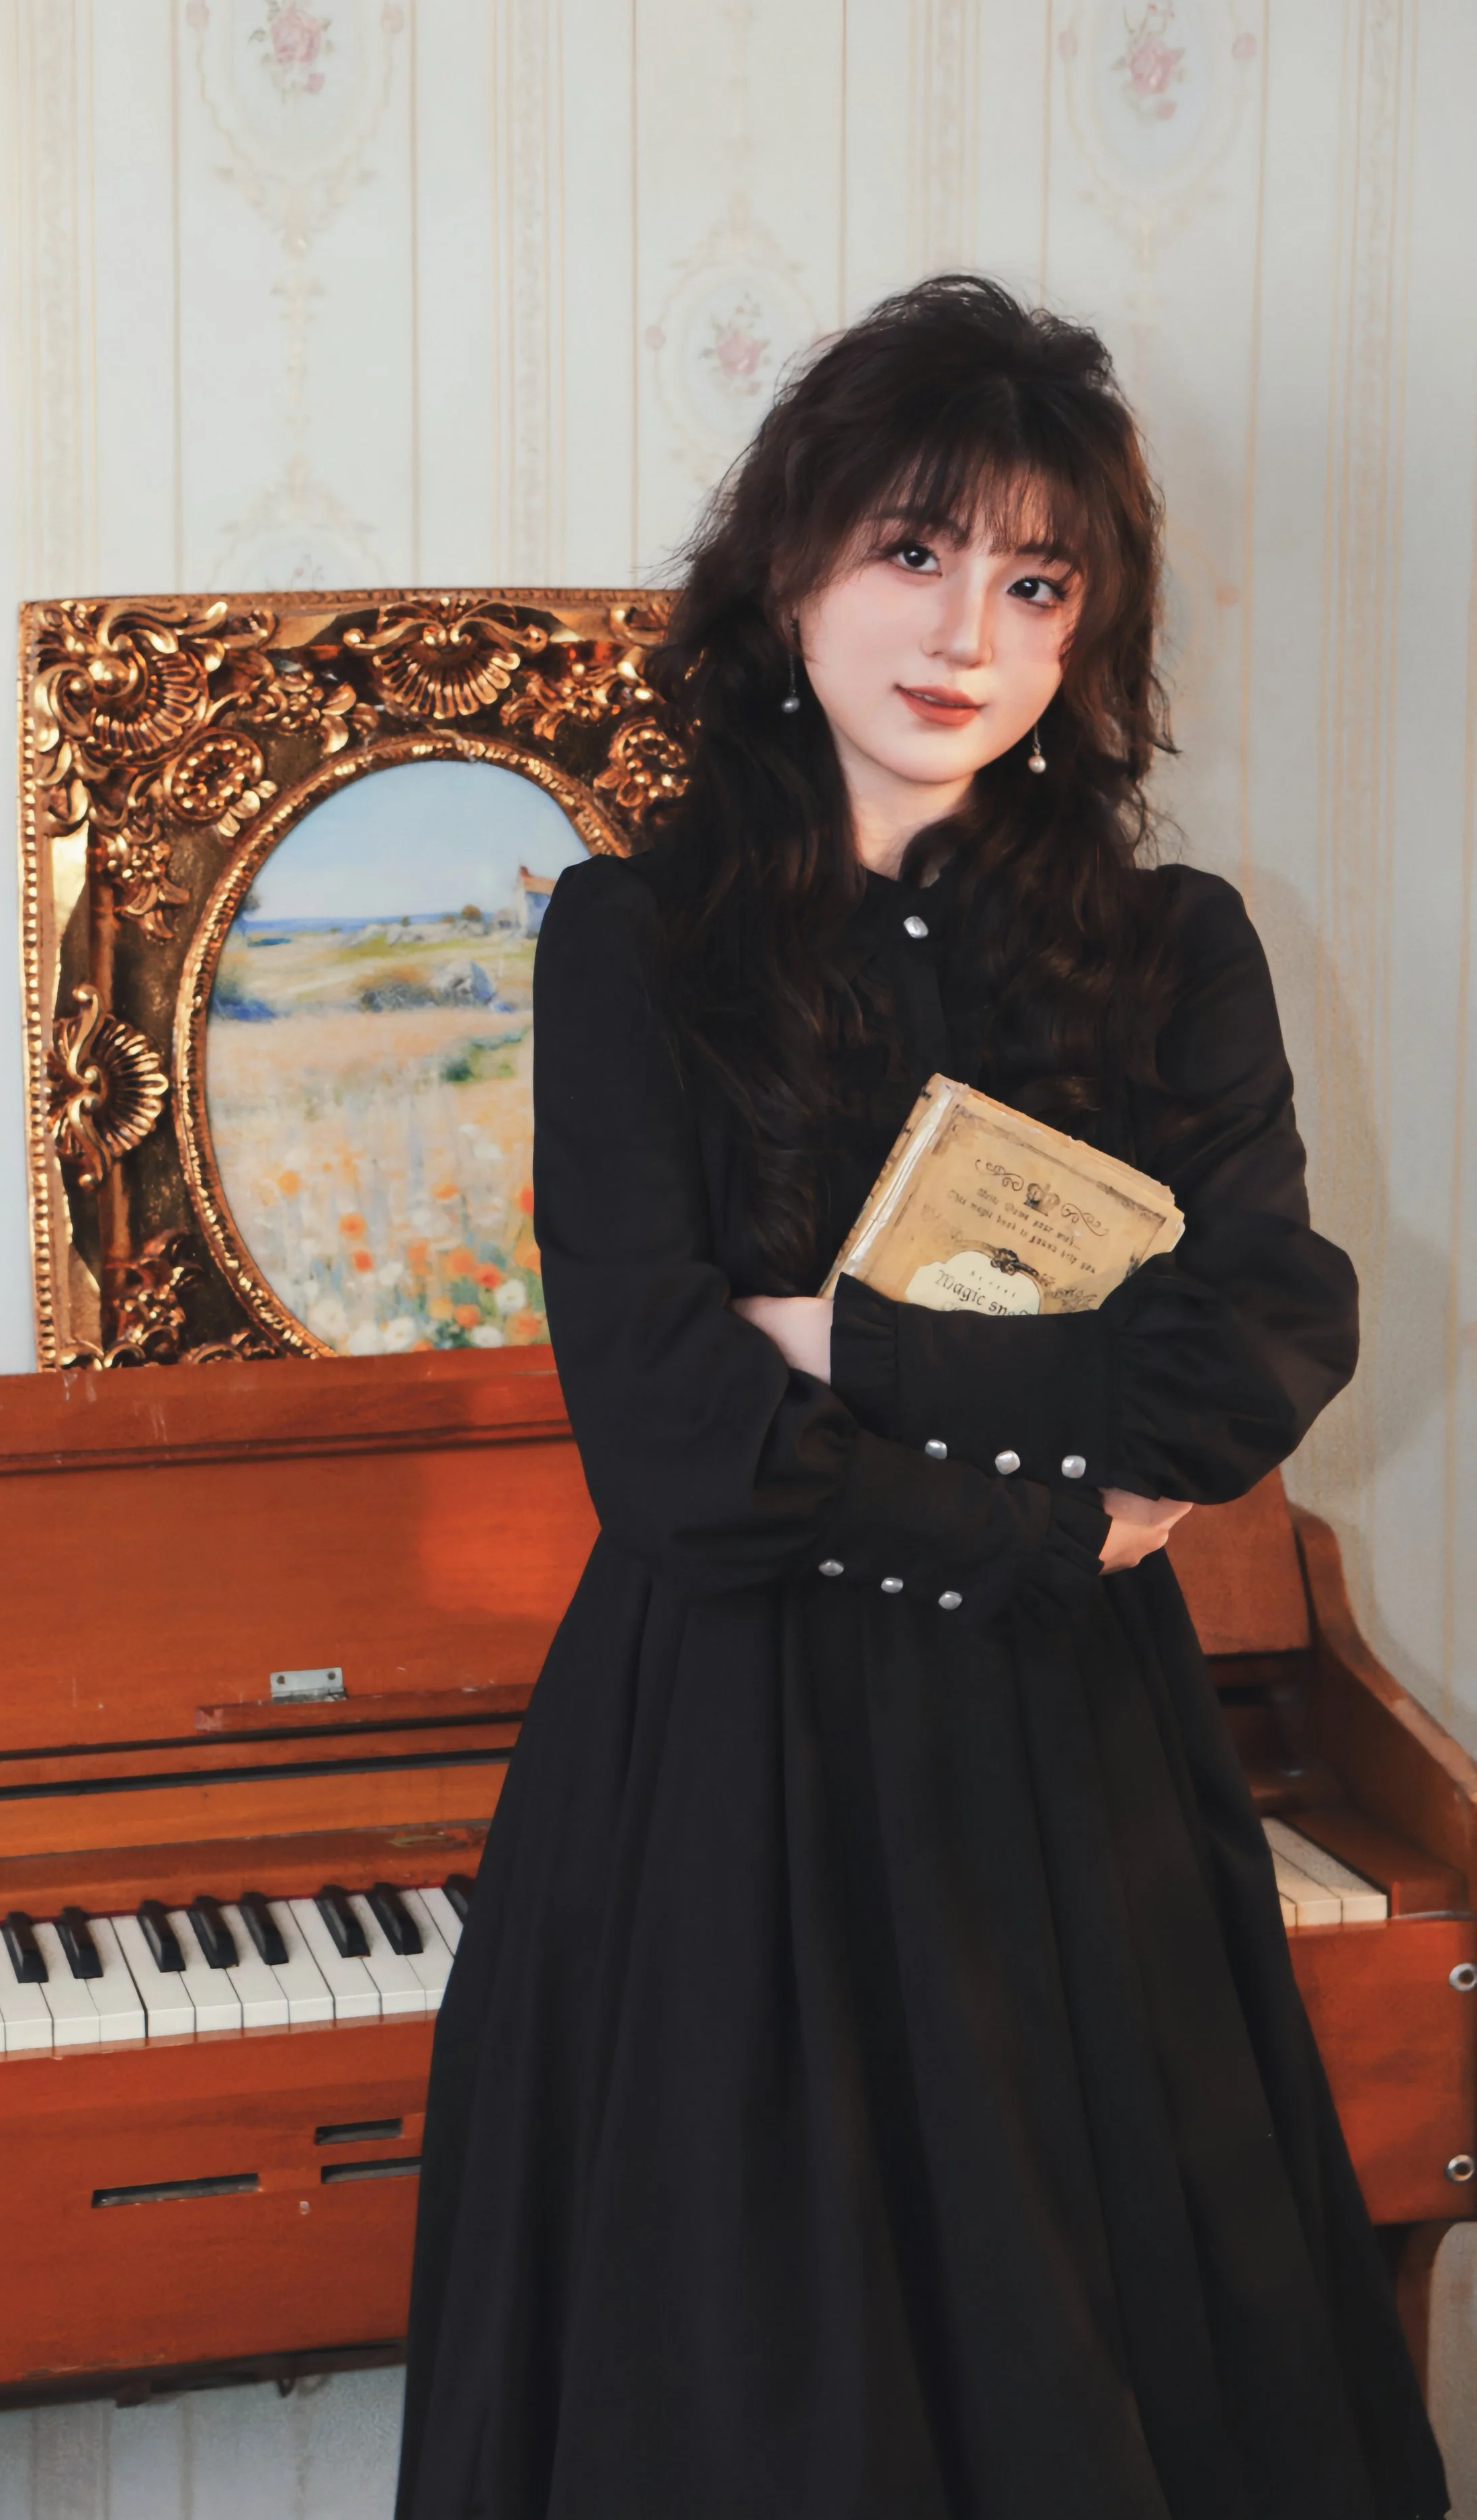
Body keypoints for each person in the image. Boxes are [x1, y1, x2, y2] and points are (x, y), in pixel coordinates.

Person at [394, 274, 1447, 2520]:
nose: (966, 623)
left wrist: (849, 1343)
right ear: (788, 575)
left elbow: (1258, 1344)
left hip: (1069, 1793)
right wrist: (1052, 1518)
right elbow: (674, 1455)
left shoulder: (1179, 953)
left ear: (1085, 636)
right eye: (912, 548)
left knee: (1118, 2396)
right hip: (722, 1784)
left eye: (1033, 578)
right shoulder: (629, 945)